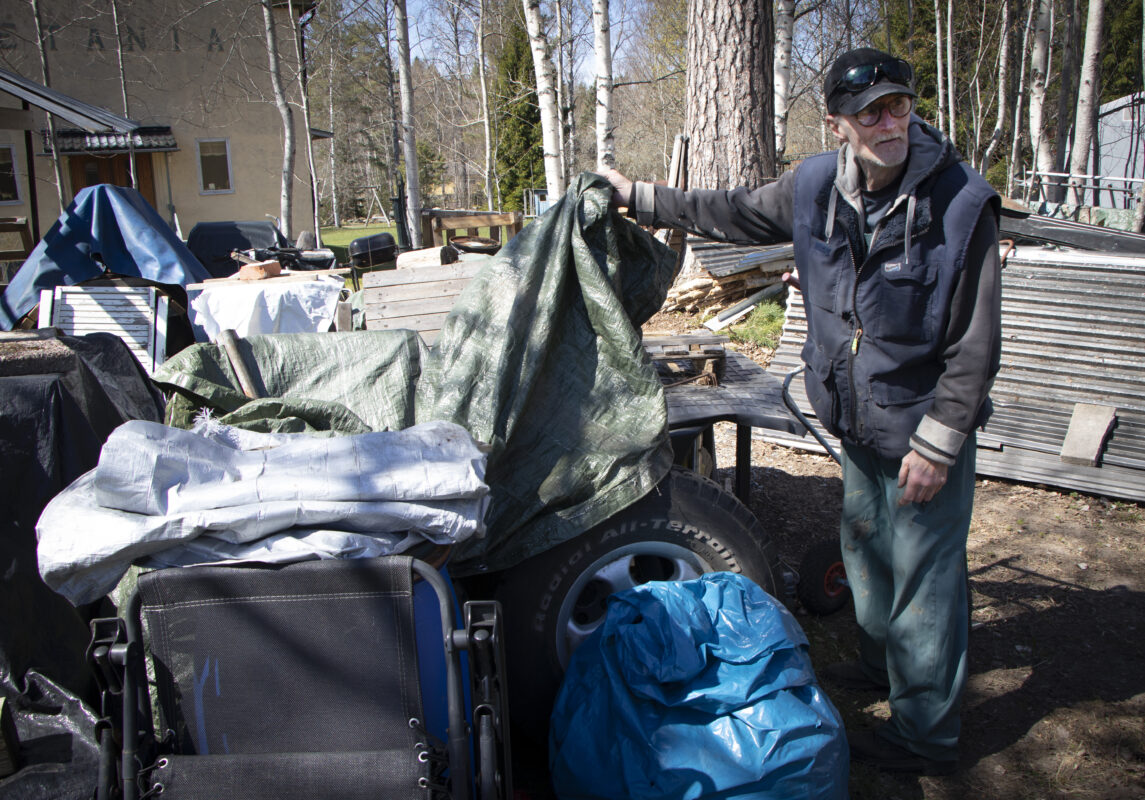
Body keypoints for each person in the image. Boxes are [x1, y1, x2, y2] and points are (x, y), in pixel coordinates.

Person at [604, 47, 1001, 775]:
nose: (890, 122)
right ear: (836, 124)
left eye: (900, 106)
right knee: (867, 555)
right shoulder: (815, 184)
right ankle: (883, 670)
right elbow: (726, 210)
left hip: (921, 426)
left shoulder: (959, 202)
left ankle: (926, 734)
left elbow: (974, 341)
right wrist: (638, 194)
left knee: (925, 583)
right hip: (855, 417)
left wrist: (940, 445)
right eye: (870, 111)